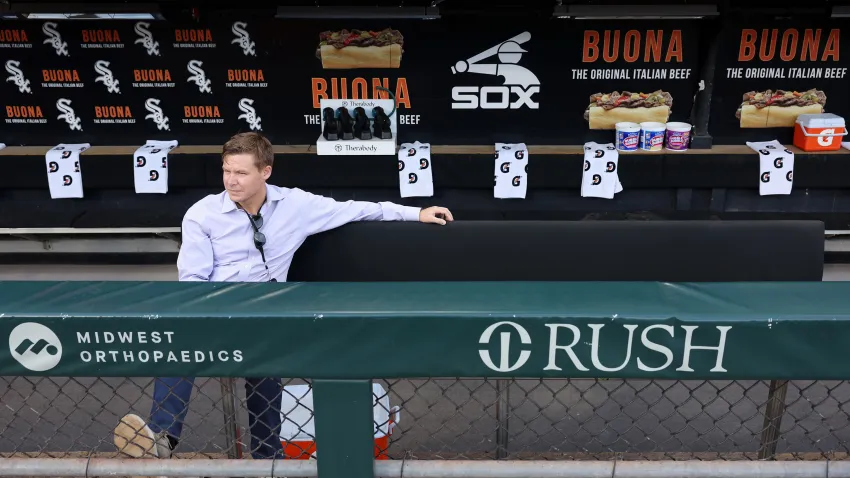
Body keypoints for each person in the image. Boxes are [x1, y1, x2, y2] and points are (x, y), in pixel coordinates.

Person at [113, 131, 453, 462]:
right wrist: (211, 317)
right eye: (226, 171)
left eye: (241, 173)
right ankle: (162, 439)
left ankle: (268, 458)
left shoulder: (295, 205)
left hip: (268, 313)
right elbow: (193, 283)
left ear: (265, 172)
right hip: (214, 309)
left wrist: (415, 213)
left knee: (266, 361)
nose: (231, 181)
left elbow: (357, 209)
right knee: (181, 342)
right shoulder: (202, 215)